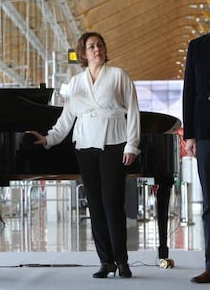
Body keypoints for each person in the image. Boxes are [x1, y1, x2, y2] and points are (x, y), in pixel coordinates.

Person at [28, 32, 140, 278]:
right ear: (83, 53)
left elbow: (133, 110)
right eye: (91, 46)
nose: (97, 49)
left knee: (113, 202)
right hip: (85, 145)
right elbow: (67, 117)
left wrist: (132, 145)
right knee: (95, 204)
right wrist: (49, 138)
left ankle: (122, 260)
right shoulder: (76, 82)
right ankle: (105, 261)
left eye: (100, 44)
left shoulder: (118, 75)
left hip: (114, 142)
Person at [183, 32, 210, 283]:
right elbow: (189, 91)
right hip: (206, 132)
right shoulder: (197, 46)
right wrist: (189, 134)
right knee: (209, 203)